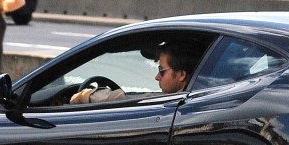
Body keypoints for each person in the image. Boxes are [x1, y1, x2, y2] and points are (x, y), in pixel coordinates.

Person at [70, 40, 200, 104]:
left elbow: (130, 99)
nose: (157, 77)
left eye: (161, 71)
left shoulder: (173, 102)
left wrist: (84, 96)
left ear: (181, 75)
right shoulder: (200, 93)